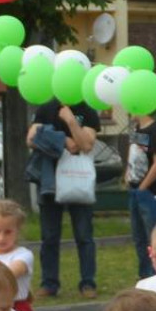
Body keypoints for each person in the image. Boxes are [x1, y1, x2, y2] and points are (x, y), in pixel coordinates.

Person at [28, 98, 101, 298]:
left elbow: (86, 144)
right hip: (49, 181)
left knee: (84, 235)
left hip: (78, 178)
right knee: (49, 236)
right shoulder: (45, 108)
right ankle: (49, 283)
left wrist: (70, 121)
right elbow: (32, 138)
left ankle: (88, 283)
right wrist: (63, 140)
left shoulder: (87, 110)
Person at [126, 110, 156, 279]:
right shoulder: (138, 130)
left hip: (151, 193)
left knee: (154, 237)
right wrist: (128, 176)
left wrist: (144, 187)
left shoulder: (154, 131)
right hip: (135, 190)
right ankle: (145, 275)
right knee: (139, 237)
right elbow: (136, 156)